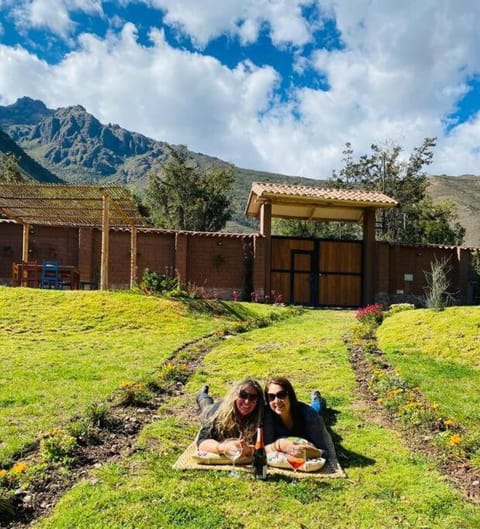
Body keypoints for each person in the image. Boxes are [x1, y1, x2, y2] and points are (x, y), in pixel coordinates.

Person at [195, 377, 264, 458]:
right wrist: (223, 447)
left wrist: (249, 450)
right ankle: (202, 394)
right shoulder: (217, 413)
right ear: (235, 395)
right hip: (211, 410)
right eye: (243, 395)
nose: (247, 401)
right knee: (206, 407)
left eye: (253, 397)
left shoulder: (262, 413)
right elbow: (202, 442)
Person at [264, 376, 328, 458]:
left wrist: (315, 453)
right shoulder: (268, 416)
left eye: (281, 395)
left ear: (290, 395)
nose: (276, 401)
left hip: (309, 412)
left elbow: (324, 451)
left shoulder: (309, 415)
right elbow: (266, 447)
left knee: (316, 410)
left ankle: (318, 400)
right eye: (271, 397)